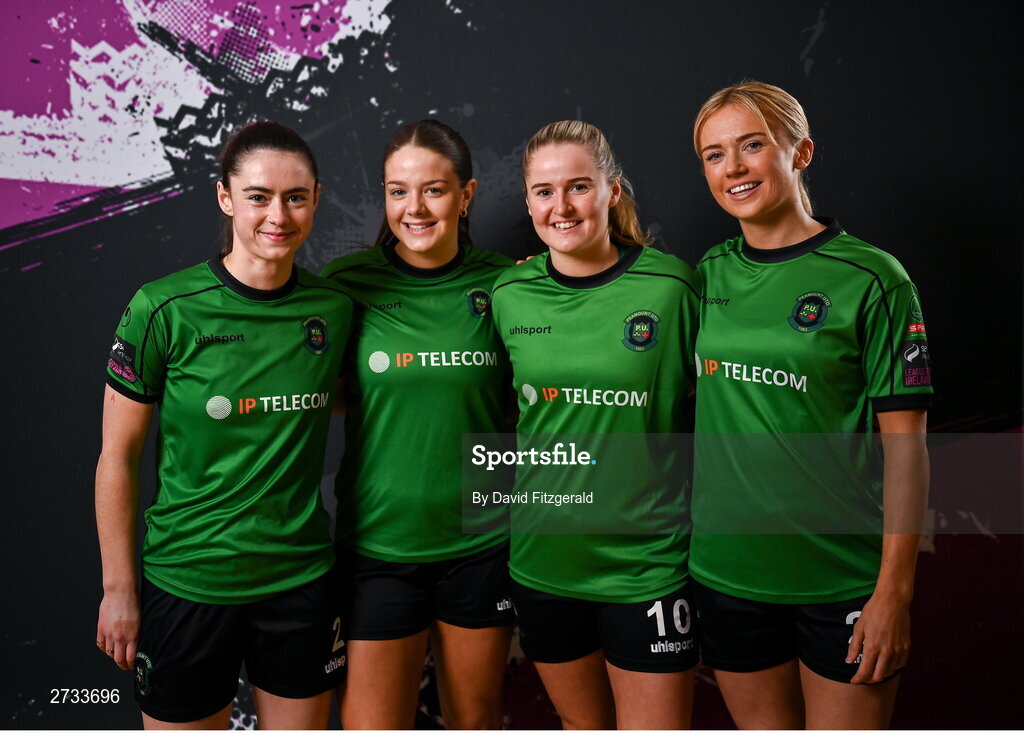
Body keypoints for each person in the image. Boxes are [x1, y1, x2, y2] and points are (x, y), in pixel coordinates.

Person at [95, 121, 353, 729]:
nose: (278, 216)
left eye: (295, 197)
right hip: (188, 581)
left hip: (300, 581)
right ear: (226, 197)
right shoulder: (162, 309)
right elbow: (117, 458)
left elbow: (366, 393)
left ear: (316, 199)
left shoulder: (334, 310)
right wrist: (119, 589)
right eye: (259, 196)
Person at [690, 81, 932, 729]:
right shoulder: (708, 273)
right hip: (728, 575)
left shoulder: (874, 278)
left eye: (752, 145)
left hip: (842, 579)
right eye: (714, 154)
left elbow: (907, 446)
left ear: (800, 153)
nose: (733, 167)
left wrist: (894, 593)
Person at [489, 120, 702, 729]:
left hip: (648, 564)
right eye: (544, 191)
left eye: (578, 187)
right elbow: (502, 407)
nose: (561, 206)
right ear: (528, 200)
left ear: (612, 191)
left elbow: (714, 405)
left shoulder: (672, 287)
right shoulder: (508, 293)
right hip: (544, 563)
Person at [321, 119, 514, 730]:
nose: (415, 208)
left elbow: (530, 399)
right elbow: (327, 396)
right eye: (398, 191)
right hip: (378, 546)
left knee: (474, 720)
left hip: (480, 545)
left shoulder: (508, 284)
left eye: (433, 189)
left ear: (466, 194)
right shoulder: (347, 286)